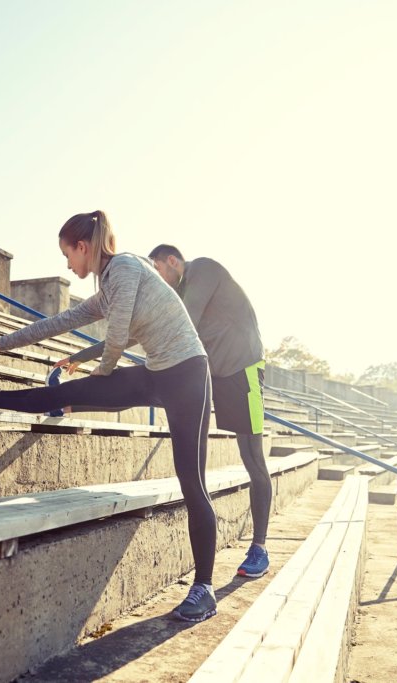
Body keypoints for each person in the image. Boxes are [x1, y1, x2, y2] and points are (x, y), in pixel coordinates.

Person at [0, 211, 219, 622]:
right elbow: (58, 322)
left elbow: (118, 336)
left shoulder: (126, 267)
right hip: (157, 372)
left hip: (188, 373)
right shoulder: (108, 289)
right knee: (70, 391)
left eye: (68, 255)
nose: (68, 265)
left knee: (193, 482)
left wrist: (100, 376)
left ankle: (204, 589)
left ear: (83, 247)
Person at [64, 245, 271, 578]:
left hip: (242, 368)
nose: (158, 281)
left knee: (252, 456)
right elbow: (138, 331)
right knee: (152, 387)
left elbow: (181, 320)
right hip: (211, 372)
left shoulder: (204, 269)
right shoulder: (175, 291)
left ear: (173, 262)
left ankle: (259, 547)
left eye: (158, 271)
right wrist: (87, 354)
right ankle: (69, 402)